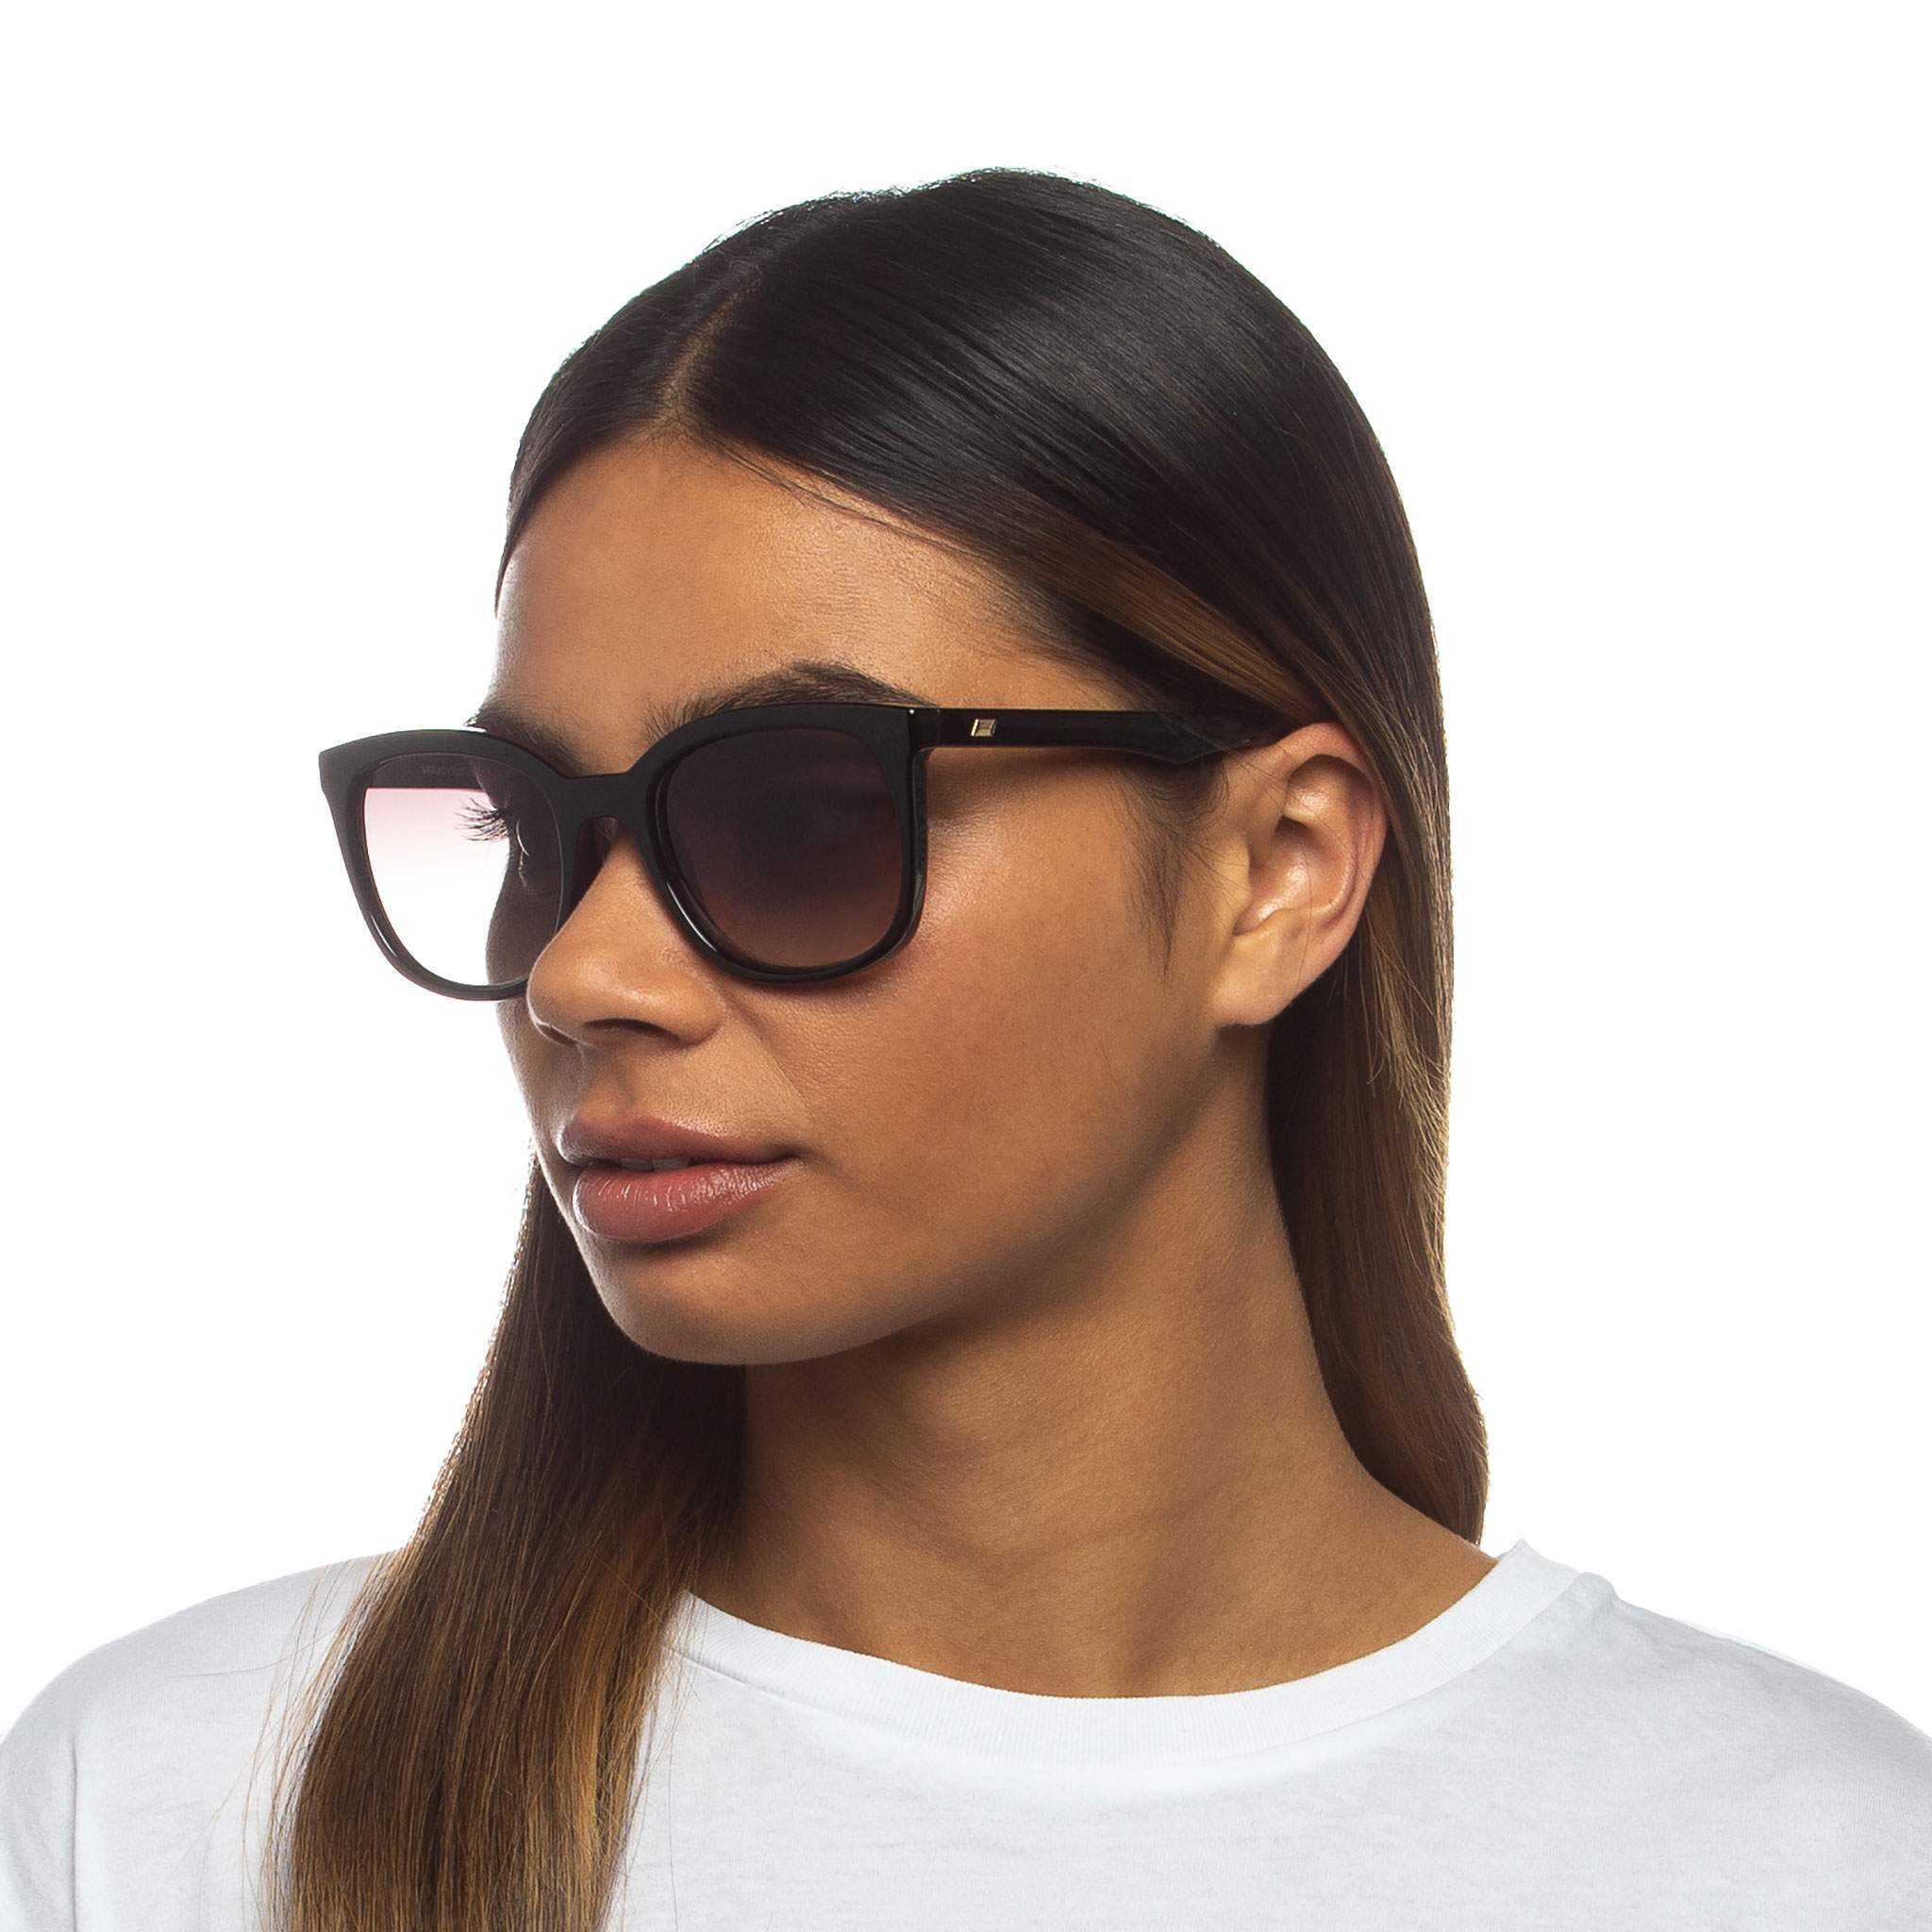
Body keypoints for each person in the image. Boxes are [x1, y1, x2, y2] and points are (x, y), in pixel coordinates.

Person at [2, 165, 1925, 1932]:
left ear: (1277, 869)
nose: (580, 972)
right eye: (531, 824)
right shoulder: (175, 1817)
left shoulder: (1804, 1864)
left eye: (801, 812)